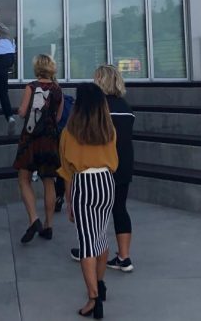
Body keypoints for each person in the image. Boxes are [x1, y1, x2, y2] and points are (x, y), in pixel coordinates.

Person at [60, 83, 118, 319]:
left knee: (86, 244)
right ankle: (100, 283)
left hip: (83, 184)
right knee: (101, 237)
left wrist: (69, 201)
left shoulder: (69, 132)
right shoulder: (109, 130)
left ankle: (93, 298)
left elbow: (66, 171)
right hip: (106, 182)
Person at [71, 65, 135, 272]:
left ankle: (89, 250)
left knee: (93, 211)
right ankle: (124, 257)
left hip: (101, 165)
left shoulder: (98, 107)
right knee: (119, 208)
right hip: (124, 164)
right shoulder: (126, 107)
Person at [14, 54, 63, 244]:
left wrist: (20, 111)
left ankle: (34, 219)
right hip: (50, 139)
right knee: (48, 181)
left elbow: (23, 112)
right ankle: (48, 225)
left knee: (24, 179)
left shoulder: (31, 87)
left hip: (30, 139)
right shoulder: (58, 90)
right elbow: (58, 118)